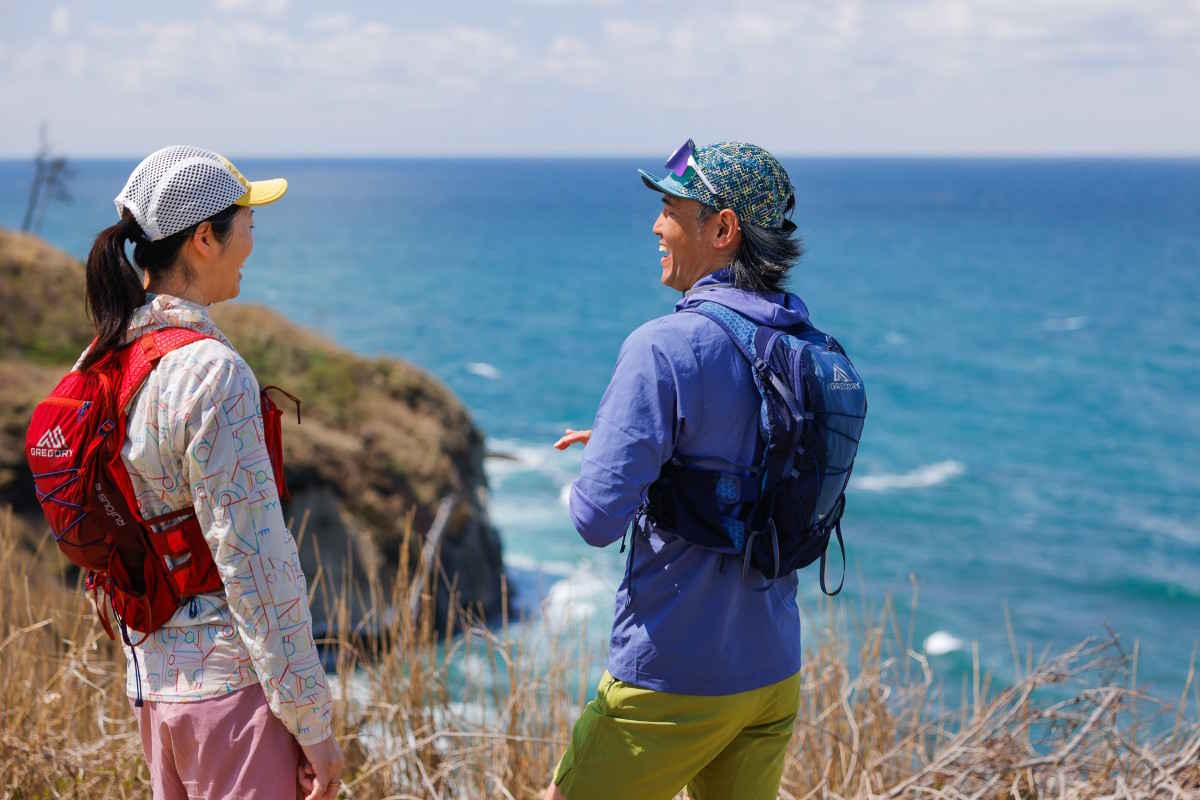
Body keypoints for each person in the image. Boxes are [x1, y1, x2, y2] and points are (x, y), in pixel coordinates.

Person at [547, 141, 813, 800]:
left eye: (670, 208)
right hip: (773, 672)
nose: (656, 225)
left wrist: (605, 466)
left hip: (674, 673)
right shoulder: (800, 346)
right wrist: (630, 446)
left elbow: (594, 519)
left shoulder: (664, 348)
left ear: (721, 229)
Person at [77, 146, 343, 799]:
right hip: (232, 699)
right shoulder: (212, 374)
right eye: (248, 221)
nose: (254, 237)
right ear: (204, 239)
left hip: (154, 691)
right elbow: (255, 563)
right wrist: (311, 722)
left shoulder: (105, 358)